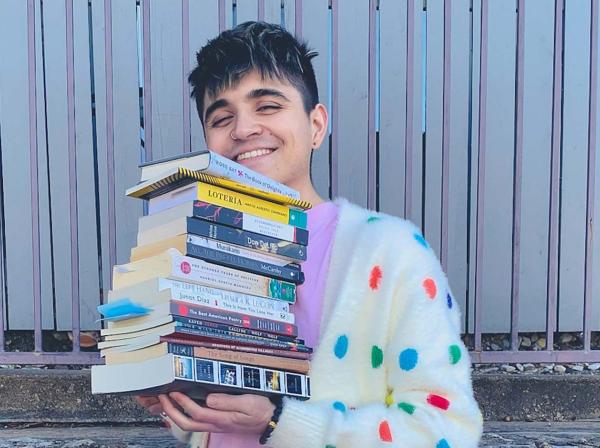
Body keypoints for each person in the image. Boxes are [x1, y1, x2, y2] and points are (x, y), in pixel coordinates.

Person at [136, 21, 482, 448]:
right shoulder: (203, 254)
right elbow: (215, 423)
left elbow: (447, 430)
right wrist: (180, 404)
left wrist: (280, 422)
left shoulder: (390, 251)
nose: (243, 129)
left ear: (316, 125)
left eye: (266, 106)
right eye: (222, 117)